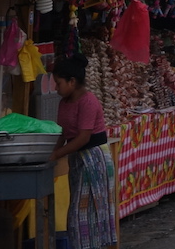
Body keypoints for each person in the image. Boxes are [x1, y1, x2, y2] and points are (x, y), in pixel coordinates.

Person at [50, 53, 116, 249]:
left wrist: (56, 155)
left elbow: (83, 137)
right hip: (77, 159)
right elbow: (63, 133)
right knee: (78, 211)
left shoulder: (88, 101)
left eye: (58, 83)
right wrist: (51, 152)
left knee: (87, 212)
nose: (56, 88)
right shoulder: (64, 103)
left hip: (93, 159)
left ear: (72, 81)